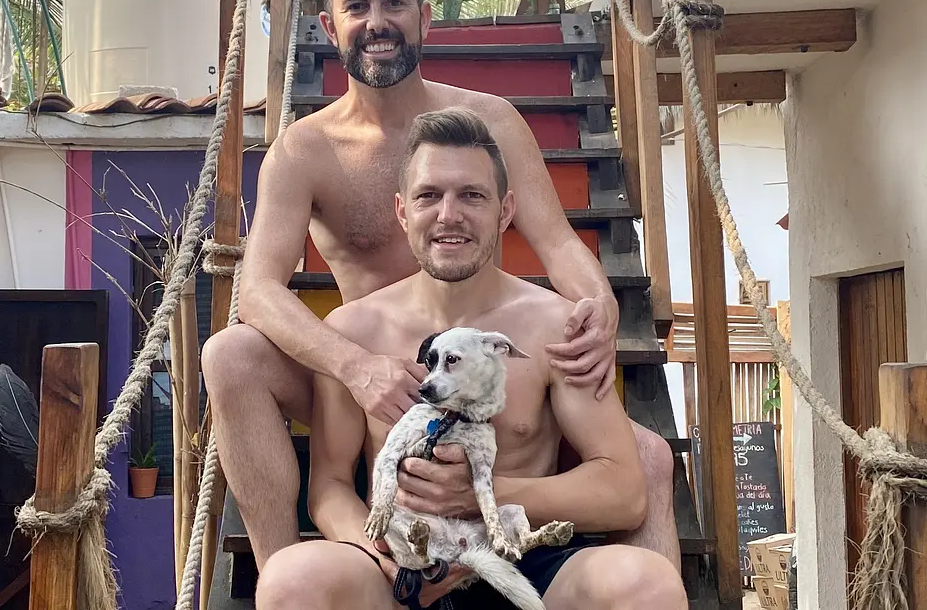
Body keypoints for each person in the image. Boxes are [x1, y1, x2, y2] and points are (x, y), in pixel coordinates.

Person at [201, 0, 678, 571]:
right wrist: (355, 366)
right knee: (229, 354)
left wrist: (599, 306)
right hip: (373, 387)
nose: (378, 23)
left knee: (646, 460)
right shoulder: (305, 150)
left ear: (424, 18)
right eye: (359, 6)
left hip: (489, 380)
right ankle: (287, 575)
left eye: (394, 2)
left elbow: (558, 241)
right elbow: (257, 291)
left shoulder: (492, 122)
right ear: (330, 25)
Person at [254, 107, 688, 610]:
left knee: (646, 583)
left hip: (524, 559)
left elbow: (624, 491)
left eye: (472, 196)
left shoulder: (554, 326)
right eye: (429, 196)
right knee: (290, 578)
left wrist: (486, 493)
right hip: (406, 566)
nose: (449, 215)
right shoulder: (354, 333)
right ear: (402, 211)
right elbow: (328, 488)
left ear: (505, 211)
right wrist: (383, 557)